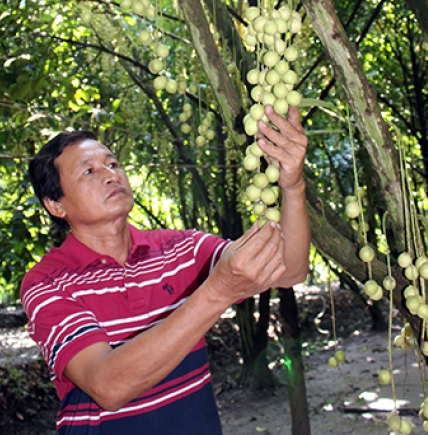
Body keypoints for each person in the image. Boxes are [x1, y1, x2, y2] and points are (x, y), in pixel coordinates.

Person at [20, 104, 311, 434]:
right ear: (55, 204)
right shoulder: (48, 282)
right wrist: (218, 292)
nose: (111, 174)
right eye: (89, 171)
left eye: (113, 163)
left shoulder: (180, 250)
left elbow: (289, 270)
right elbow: (107, 386)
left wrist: (292, 186)